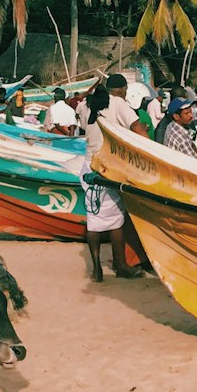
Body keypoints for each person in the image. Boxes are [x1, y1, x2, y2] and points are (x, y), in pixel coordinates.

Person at [79, 87, 148, 281]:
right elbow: (137, 127)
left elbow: (84, 124)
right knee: (116, 219)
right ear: (121, 90)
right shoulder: (117, 102)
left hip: (88, 167)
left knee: (93, 220)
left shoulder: (86, 105)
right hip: (107, 167)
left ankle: (96, 269)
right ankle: (121, 265)